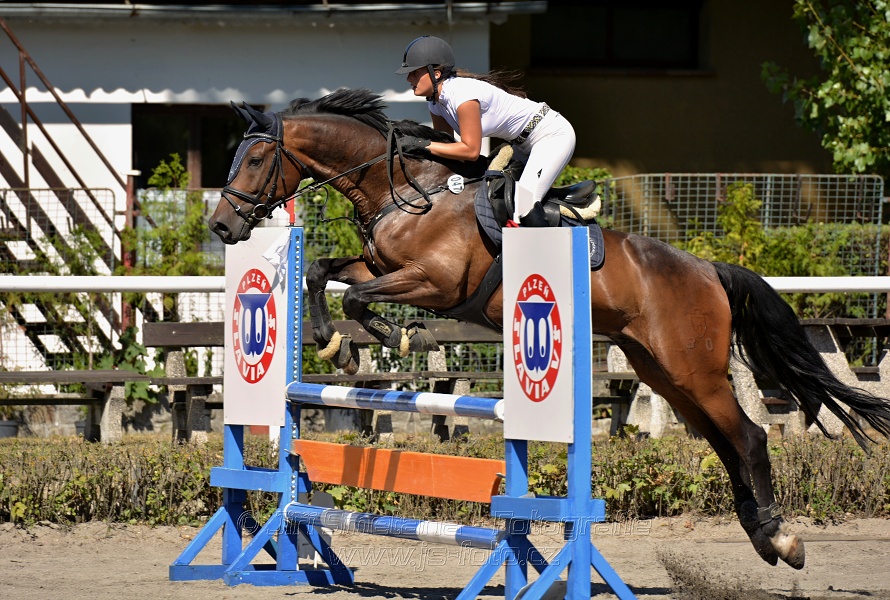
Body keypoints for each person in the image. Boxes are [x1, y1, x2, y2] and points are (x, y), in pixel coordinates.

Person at [396, 35, 576, 227]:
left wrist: (423, 145)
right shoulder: (436, 103)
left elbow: (471, 151)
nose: (409, 78)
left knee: (524, 206)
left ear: (436, 73)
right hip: (522, 145)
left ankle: (548, 254)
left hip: (552, 136)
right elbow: (447, 147)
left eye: (414, 73)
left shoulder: (462, 95)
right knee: (494, 195)